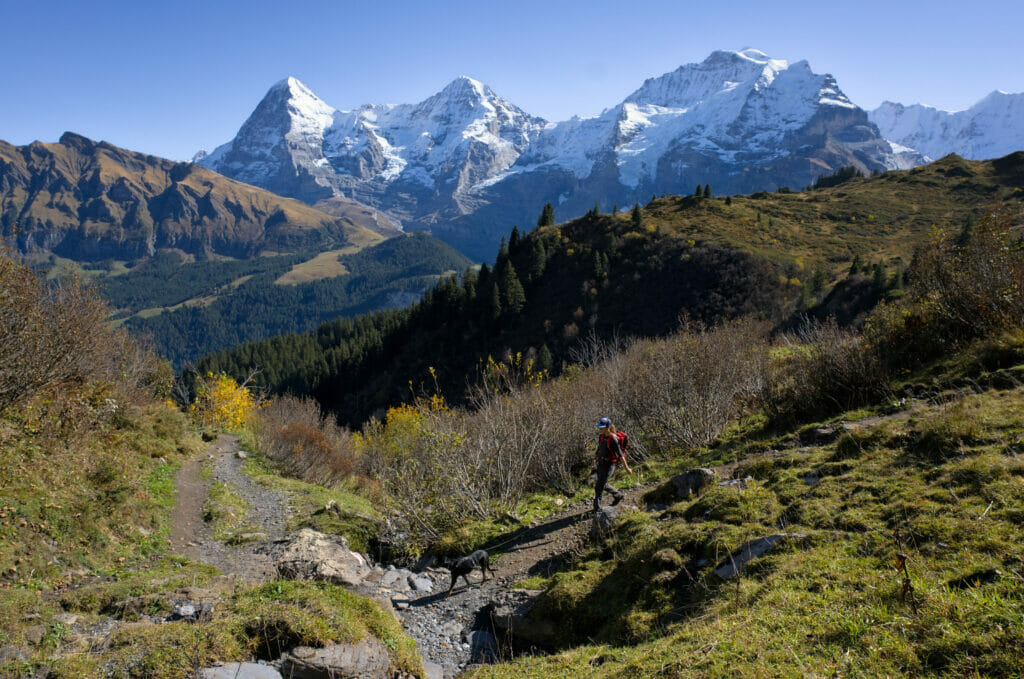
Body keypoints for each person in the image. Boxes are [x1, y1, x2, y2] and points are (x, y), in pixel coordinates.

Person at [593, 417, 632, 510]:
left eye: (601, 427)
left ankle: (597, 507)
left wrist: (627, 468)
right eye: (599, 426)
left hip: (609, 465)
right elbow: (599, 449)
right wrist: (594, 459)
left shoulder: (613, 439)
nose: (600, 428)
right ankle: (618, 495)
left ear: (607, 427)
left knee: (599, 485)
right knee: (602, 483)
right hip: (601, 463)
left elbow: (620, 455)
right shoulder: (602, 436)